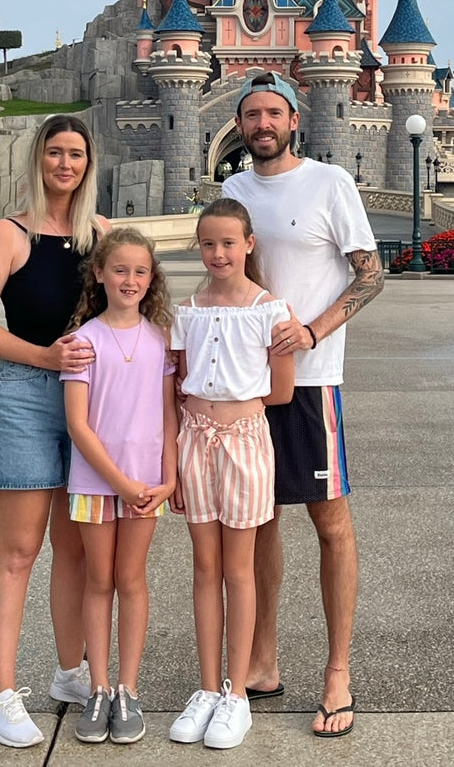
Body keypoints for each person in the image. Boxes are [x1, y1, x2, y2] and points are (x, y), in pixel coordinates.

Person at [222, 72, 384, 739]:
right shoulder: (232, 191)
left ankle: (338, 672)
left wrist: (314, 329)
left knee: (329, 520)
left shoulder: (329, 184)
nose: (262, 123)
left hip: (312, 379)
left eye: (272, 112)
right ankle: (262, 659)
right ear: (241, 125)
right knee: (259, 521)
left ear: (293, 119)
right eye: (251, 114)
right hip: (247, 383)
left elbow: (371, 273)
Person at [0, 114, 105, 749]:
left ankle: (71, 672)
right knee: (19, 551)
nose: (65, 165)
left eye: (76, 154)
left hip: (89, 403)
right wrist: (44, 357)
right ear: (38, 160)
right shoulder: (10, 234)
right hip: (26, 394)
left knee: (75, 548)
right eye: (55, 153)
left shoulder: (101, 236)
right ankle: (0, 694)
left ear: (88, 164)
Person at [167, 198, 295, 750]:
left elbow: (282, 390)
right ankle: (206, 689)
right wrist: (172, 454)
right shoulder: (185, 310)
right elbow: (174, 389)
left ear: (248, 244)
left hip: (244, 442)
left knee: (239, 569)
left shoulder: (271, 310)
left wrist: (237, 409)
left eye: (228, 242)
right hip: (194, 439)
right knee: (204, 566)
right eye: (208, 243)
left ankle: (237, 694)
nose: (218, 253)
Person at [63, 227, 177, 746]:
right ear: (100, 274)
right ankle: (99, 687)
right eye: (120, 270)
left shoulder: (159, 340)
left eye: (140, 271)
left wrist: (167, 476)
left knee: (131, 581)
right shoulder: (84, 341)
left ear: (151, 279)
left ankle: (128, 688)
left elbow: (169, 415)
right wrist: (119, 481)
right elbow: (78, 426)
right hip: (96, 482)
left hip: (147, 485)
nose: (130, 280)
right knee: (98, 581)